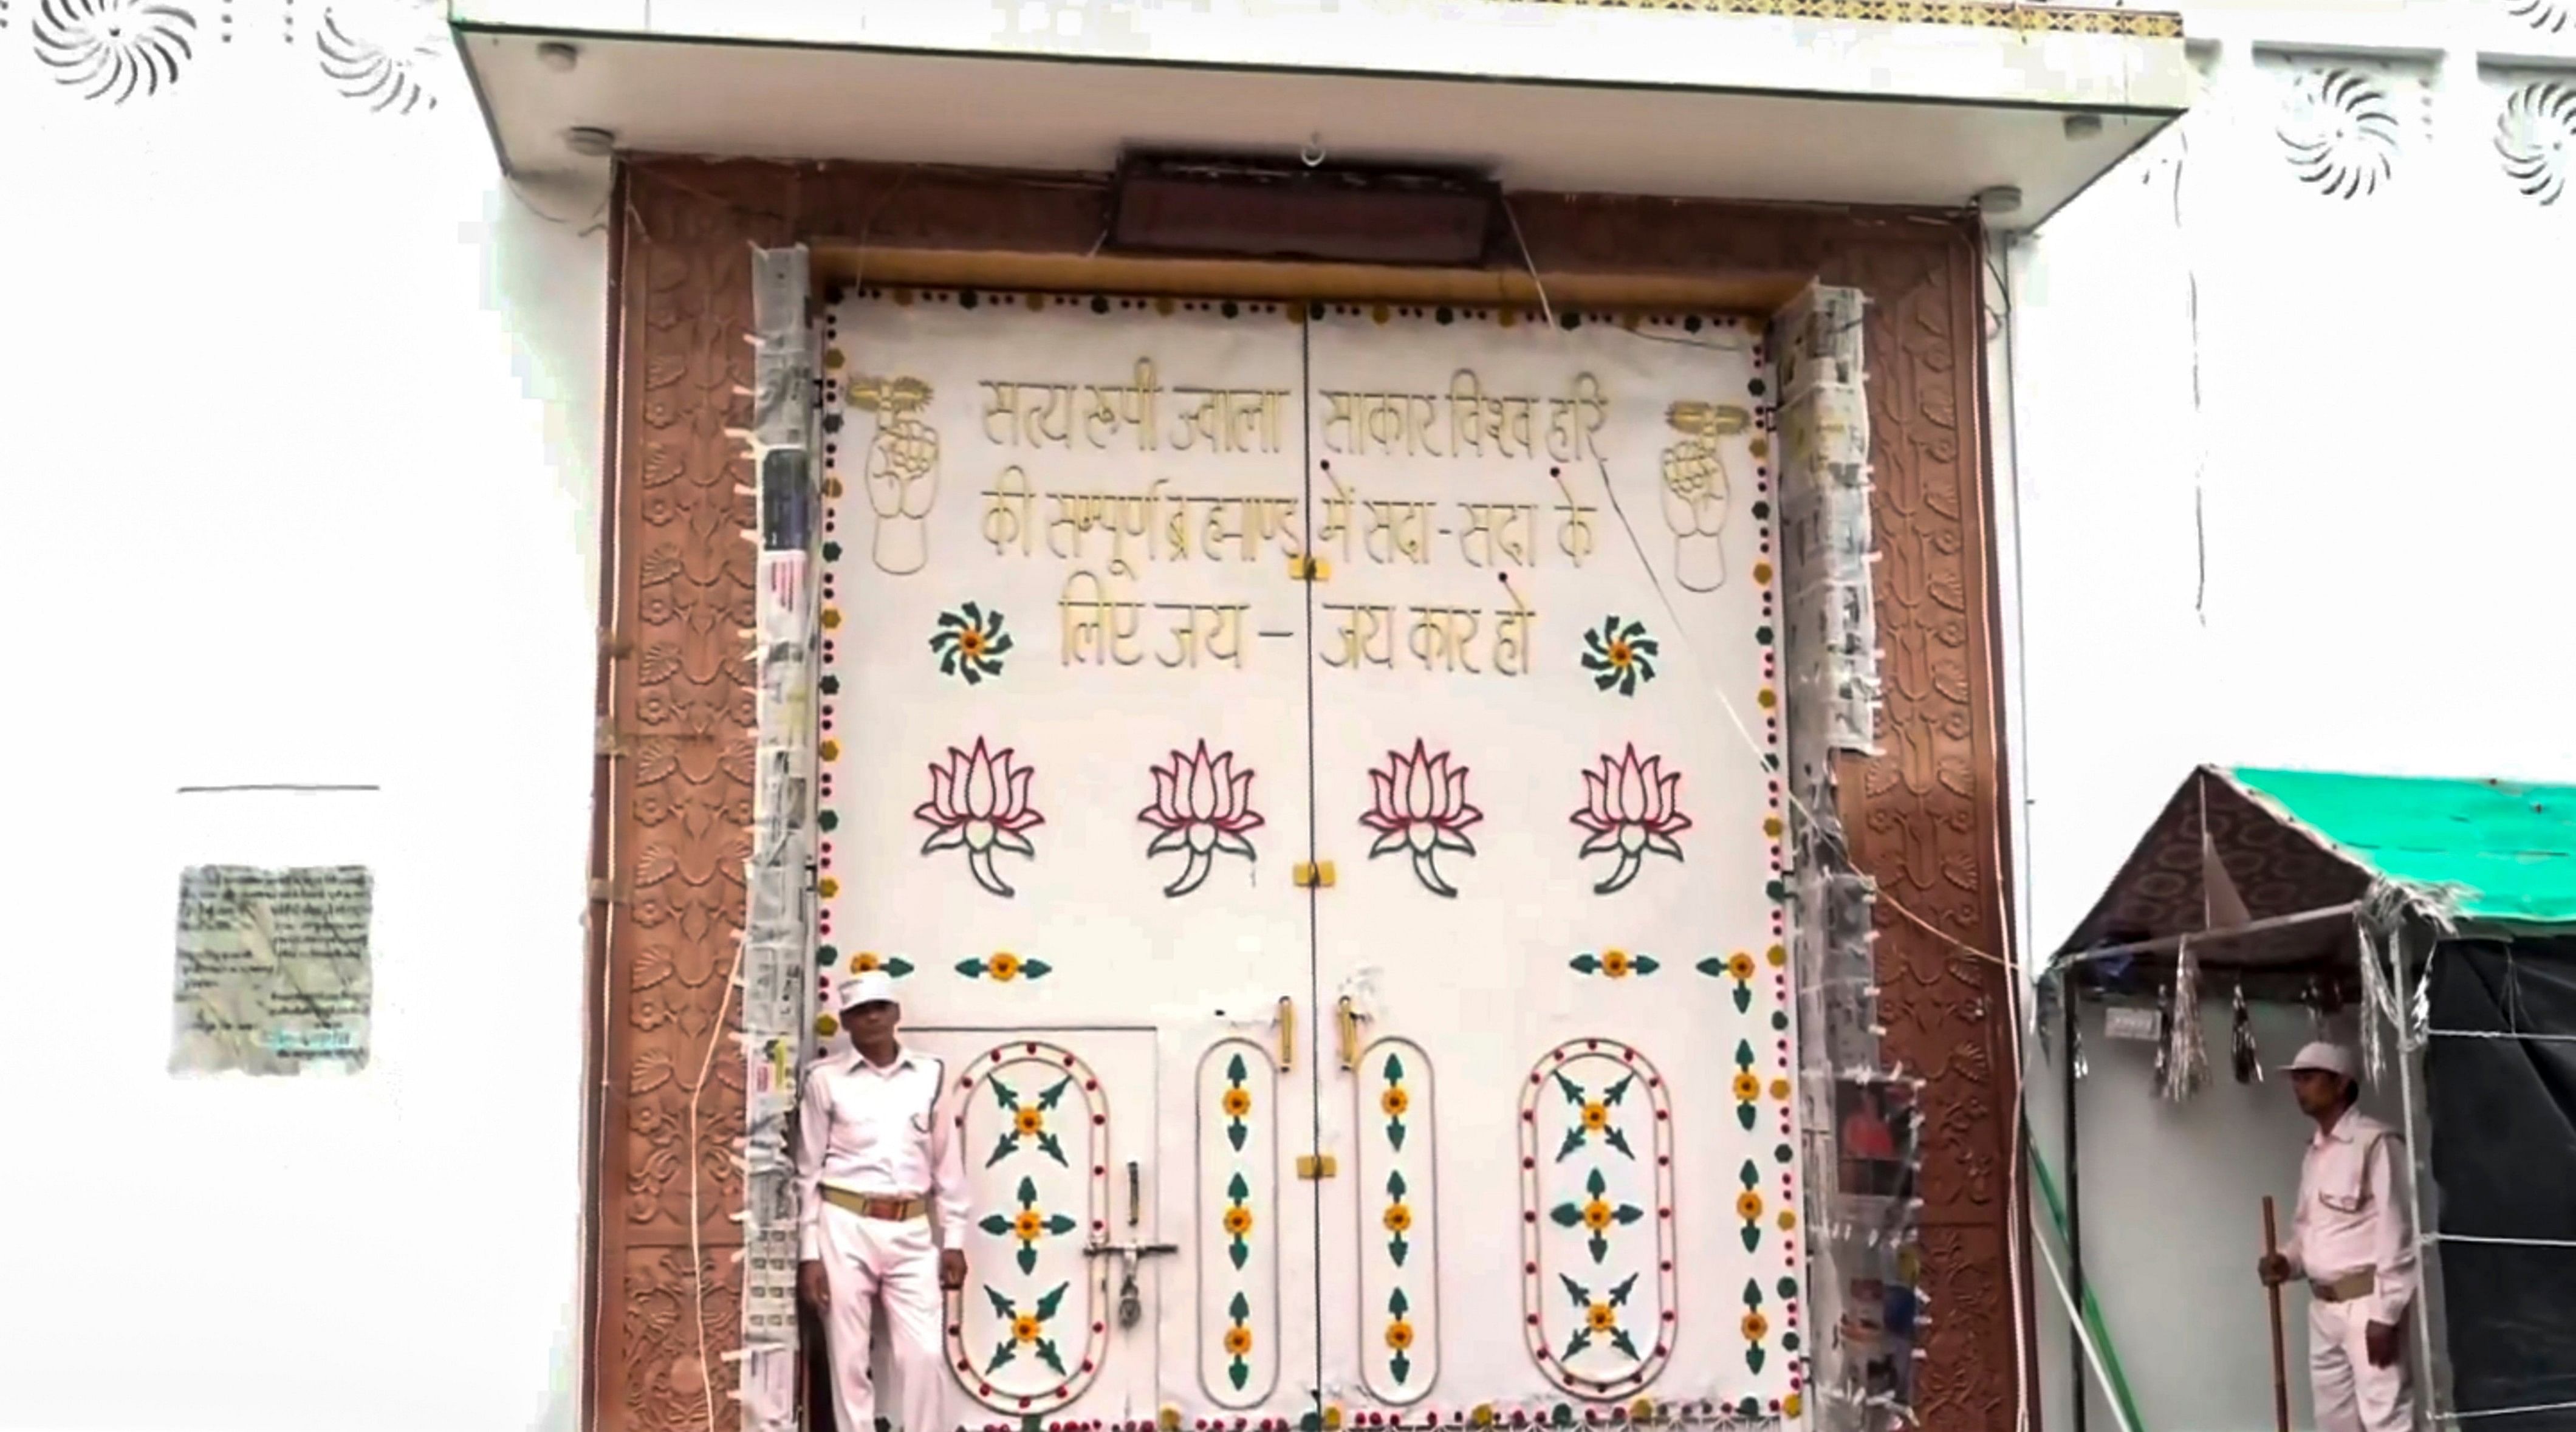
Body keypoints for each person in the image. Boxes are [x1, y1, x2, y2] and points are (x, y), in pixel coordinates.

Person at [798, 971, 969, 1432]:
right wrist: (809, 1254)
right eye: (859, 1011)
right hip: (844, 1223)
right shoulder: (825, 1080)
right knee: (849, 1357)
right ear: (845, 1022)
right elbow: (807, 1172)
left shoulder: (931, 1075)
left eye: (880, 1007)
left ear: (897, 1014)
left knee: (924, 1354)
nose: (872, 1018)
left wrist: (954, 1238)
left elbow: (947, 1164)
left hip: (911, 1227)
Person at [2256, 1042, 2418, 1432]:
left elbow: (2398, 1233)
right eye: (2296, 1079)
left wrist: (2386, 1316)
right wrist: (2287, 1260)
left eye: (2308, 1078)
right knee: (2334, 1423)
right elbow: (2310, 1233)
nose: (2299, 1087)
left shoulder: (2376, 1144)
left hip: (2367, 1305)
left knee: (2387, 1418)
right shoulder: (2315, 1153)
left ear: (2342, 1083)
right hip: (2324, 1308)